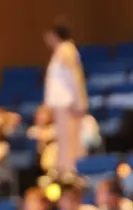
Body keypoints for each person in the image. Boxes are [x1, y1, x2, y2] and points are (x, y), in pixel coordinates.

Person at [43, 21, 88, 179]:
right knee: (63, 140)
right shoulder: (59, 51)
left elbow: (76, 76)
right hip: (61, 104)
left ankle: (72, 173)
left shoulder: (66, 49)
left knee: (70, 140)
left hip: (68, 103)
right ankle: (64, 171)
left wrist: (80, 101)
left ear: (55, 35)